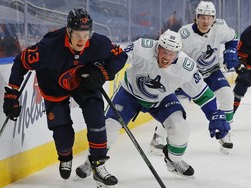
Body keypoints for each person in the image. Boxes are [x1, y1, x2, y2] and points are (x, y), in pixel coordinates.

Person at [75, 29, 230, 179]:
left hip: (161, 99)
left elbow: (203, 94)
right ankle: (92, 162)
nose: (167, 57)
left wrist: (214, 114)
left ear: (178, 53)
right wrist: (101, 69)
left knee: (180, 128)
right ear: (158, 47)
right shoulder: (142, 47)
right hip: (129, 93)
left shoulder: (186, 67)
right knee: (109, 128)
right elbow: (119, 58)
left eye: (172, 53)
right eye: (164, 51)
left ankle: (173, 160)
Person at [2, 8, 128, 188]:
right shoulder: (48, 48)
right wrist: (12, 93)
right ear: (68, 31)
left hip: (84, 82)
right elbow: (21, 61)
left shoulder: (98, 43)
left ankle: (98, 165)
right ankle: (65, 156)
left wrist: (103, 73)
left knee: (96, 117)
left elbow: (120, 56)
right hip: (54, 85)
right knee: (63, 135)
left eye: (86, 34)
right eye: (77, 34)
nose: (82, 40)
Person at [149, 1, 238, 155]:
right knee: (177, 107)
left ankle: (225, 132)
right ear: (196, 17)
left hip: (212, 71)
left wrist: (230, 50)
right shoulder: (185, 34)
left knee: (227, 95)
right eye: (202, 17)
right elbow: (172, 55)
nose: (206, 21)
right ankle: (158, 137)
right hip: (189, 76)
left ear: (214, 18)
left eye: (209, 17)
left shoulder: (220, 27)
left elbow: (233, 37)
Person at [233, 25, 251, 113]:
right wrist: (240, 62)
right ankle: (229, 116)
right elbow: (241, 53)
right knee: (239, 90)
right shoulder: (248, 33)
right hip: (249, 68)